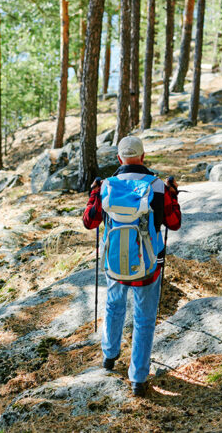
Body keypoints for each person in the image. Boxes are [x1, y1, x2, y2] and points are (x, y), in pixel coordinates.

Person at [82, 136, 181, 397]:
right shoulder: (157, 185)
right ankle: (138, 378)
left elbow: (89, 222)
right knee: (144, 319)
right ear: (144, 157)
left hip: (114, 262)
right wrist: (173, 195)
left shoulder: (106, 186)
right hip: (148, 264)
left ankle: (109, 355)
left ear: (118, 159)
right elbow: (174, 222)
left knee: (114, 305)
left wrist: (94, 193)